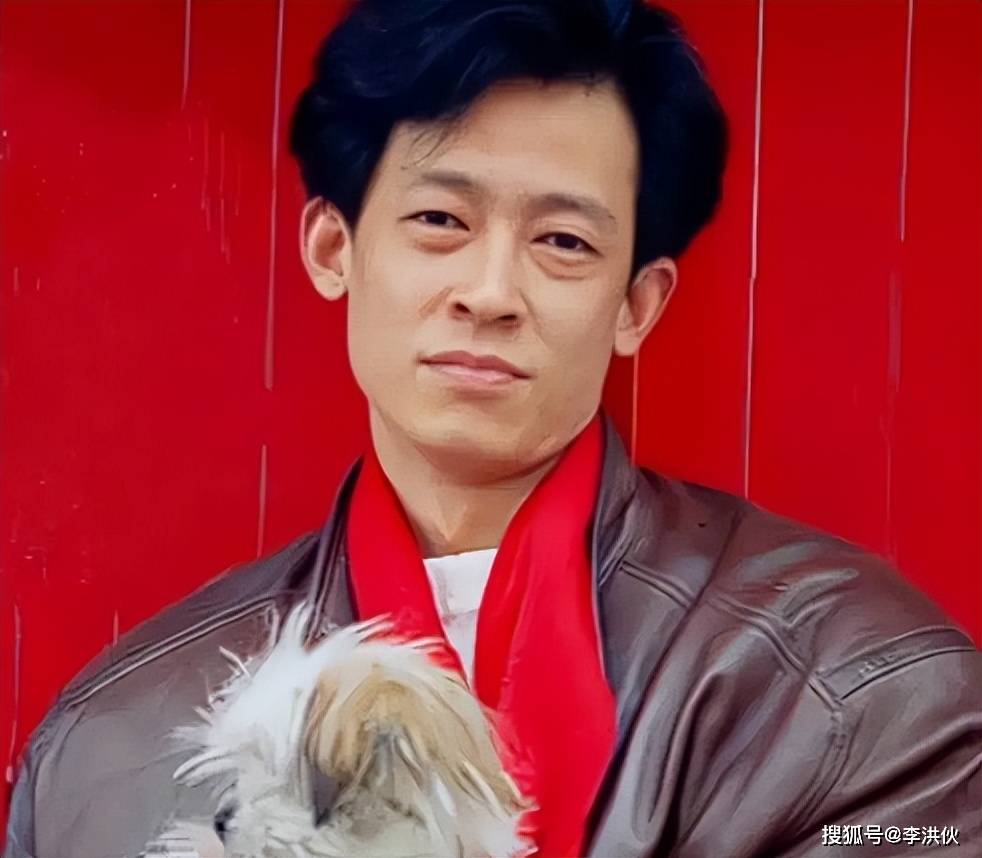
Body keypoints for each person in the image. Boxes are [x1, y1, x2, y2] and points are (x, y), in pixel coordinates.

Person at [5, 0, 980, 856]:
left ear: (637, 304)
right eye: (440, 219)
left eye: (562, 240)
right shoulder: (108, 746)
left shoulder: (859, 693)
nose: (490, 291)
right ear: (334, 247)